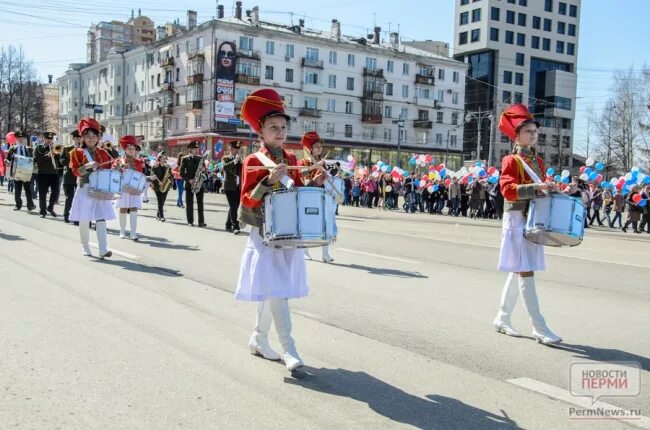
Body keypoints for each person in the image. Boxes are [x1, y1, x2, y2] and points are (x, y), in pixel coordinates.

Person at [236, 88, 326, 372]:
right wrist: (267, 181)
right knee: (276, 290)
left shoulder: (291, 158)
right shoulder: (254, 161)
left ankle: (258, 339)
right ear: (260, 131)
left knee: (275, 290)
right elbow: (247, 199)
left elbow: (297, 194)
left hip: (288, 234)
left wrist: (315, 183)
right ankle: (290, 349)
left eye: (284, 127)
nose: (280, 131)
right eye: (273, 127)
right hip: (264, 234)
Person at [493, 104, 562, 345]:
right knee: (526, 270)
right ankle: (539, 326)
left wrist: (557, 189)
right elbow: (507, 190)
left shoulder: (539, 163)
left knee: (518, 268)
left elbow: (540, 191)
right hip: (517, 219)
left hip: (534, 219)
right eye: (528, 131)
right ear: (517, 135)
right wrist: (537, 188)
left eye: (534, 131)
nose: (533, 134)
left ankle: (502, 318)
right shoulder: (511, 160)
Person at [68, 118, 115, 258]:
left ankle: (103, 249)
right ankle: (85, 245)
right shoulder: (76, 152)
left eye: (94, 136)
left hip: (100, 188)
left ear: (98, 137)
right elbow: (76, 172)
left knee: (101, 217)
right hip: (85, 187)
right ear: (82, 137)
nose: (91, 139)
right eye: (87, 136)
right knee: (84, 218)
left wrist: (117, 167)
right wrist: (88, 166)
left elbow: (109, 168)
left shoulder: (104, 152)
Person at [298, 131, 334, 263]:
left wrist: (328, 171)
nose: (320, 149)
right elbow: (300, 173)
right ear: (310, 149)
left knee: (324, 223)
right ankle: (305, 251)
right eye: (317, 146)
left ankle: (325, 254)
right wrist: (314, 166)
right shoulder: (303, 161)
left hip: (321, 194)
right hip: (307, 194)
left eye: (320, 146)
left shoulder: (323, 162)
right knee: (307, 223)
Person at [113, 135, 143, 240]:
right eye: (129, 149)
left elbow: (140, 175)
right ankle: (122, 231)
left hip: (134, 188)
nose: (131, 150)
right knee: (123, 208)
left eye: (133, 149)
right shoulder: (119, 160)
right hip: (123, 188)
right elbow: (114, 173)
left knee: (134, 208)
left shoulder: (138, 162)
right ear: (125, 149)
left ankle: (133, 232)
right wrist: (119, 168)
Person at [33, 131, 63, 218]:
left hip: (54, 173)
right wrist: (47, 156)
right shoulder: (38, 148)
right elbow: (36, 160)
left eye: (51, 139)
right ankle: (42, 211)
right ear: (44, 138)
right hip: (42, 173)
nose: (49, 140)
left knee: (55, 192)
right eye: (47, 138)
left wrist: (58, 155)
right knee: (42, 193)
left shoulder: (56, 147)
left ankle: (50, 207)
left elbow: (60, 161)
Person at [6, 131, 36, 212]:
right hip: (16, 172)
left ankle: (30, 205)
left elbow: (34, 159)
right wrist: (7, 162)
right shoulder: (12, 148)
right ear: (16, 139)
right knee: (17, 190)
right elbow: (7, 158)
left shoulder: (29, 149)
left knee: (28, 190)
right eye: (19, 138)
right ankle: (18, 205)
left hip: (27, 172)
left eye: (22, 138)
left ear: (24, 139)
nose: (20, 140)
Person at [180, 141, 207, 227]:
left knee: (200, 204)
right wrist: (188, 180)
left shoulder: (200, 158)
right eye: (195, 149)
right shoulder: (185, 158)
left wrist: (204, 170)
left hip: (199, 183)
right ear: (190, 150)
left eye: (197, 149)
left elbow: (205, 171)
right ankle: (190, 221)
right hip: (189, 184)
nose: (196, 150)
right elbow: (181, 173)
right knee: (189, 203)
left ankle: (201, 222)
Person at [60, 130, 82, 224]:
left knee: (79, 198)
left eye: (79, 138)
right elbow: (61, 159)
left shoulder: (84, 149)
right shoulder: (67, 148)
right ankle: (66, 215)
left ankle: (77, 217)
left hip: (80, 177)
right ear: (73, 139)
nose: (78, 140)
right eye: (76, 138)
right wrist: (67, 163)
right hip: (69, 176)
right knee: (69, 197)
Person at [221, 140, 243, 234]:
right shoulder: (226, 158)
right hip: (229, 186)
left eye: (238, 149)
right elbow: (225, 168)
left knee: (234, 206)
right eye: (235, 149)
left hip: (238, 186)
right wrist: (234, 161)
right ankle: (235, 226)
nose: (237, 151)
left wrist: (241, 162)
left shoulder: (240, 159)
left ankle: (228, 225)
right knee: (233, 206)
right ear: (230, 149)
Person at [151, 151, 174, 222]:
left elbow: (171, 176)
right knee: (160, 201)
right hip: (157, 187)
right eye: (163, 158)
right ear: (159, 158)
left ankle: (158, 215)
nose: (165, 160)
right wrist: (158, 182)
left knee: (162, 202)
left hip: (165, 186)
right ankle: (162, 216)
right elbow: (152, 176)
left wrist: (169, 178)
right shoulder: (155, 167)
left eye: (165, 158)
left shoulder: (168, 166)